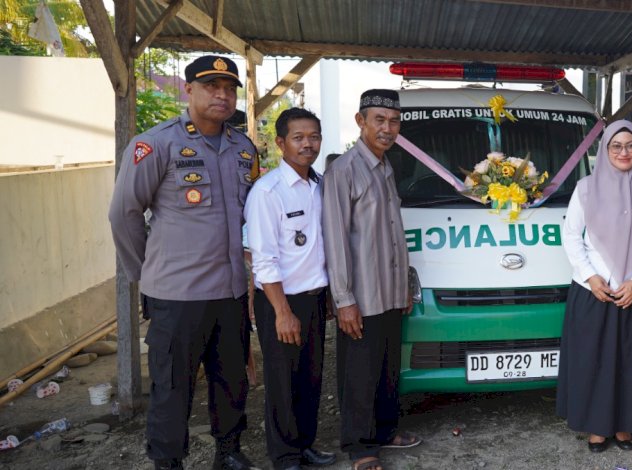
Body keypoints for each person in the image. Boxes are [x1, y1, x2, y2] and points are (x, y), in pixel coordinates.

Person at [108, 55, 259, 470]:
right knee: (172, 386)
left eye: (229, 89)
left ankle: (228, 451)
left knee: (231, 380)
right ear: (188, 90)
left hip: (229, 292)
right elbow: (124, 214)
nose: (222, 95)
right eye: (211, 86)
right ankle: (168, 461)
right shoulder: (155, 144)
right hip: (177, 295)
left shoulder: (244, 149)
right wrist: (146, 275)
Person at [322, 89, 422, 470]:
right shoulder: (343, 170)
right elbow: (335, 238)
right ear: (360, 121)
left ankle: (385, 431)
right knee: (359, 373)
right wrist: (344, 298)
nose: (387, 128)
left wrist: (404, 288)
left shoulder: (385, 166)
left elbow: (393, 233)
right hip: (361, 294)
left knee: (385, 368)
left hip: (390, 290)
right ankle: (360, 447)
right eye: (379, 120)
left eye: (394, 121)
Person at [558, 120, 632, 453]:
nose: (624, 152)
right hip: (593, 292)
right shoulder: (586, 189)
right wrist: (592, 277)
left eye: (631, 145)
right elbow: (571, 236)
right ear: (605, 150)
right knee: (593, 360)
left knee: (631, 363)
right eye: (616, 146)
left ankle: (625, 426)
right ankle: (596, 426)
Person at [244, 108, 336, 470]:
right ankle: (285, 457)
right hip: (280, 300)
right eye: (298, 138)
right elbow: (263, 260)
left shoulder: (319, 185)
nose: (308, 144)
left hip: (314, 298)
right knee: (282, 382)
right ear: (281, 143)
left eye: (314, 136)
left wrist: (326, 296)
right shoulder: (268, 192)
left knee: (311, 378)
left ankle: (305, 445)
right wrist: (282, 312)